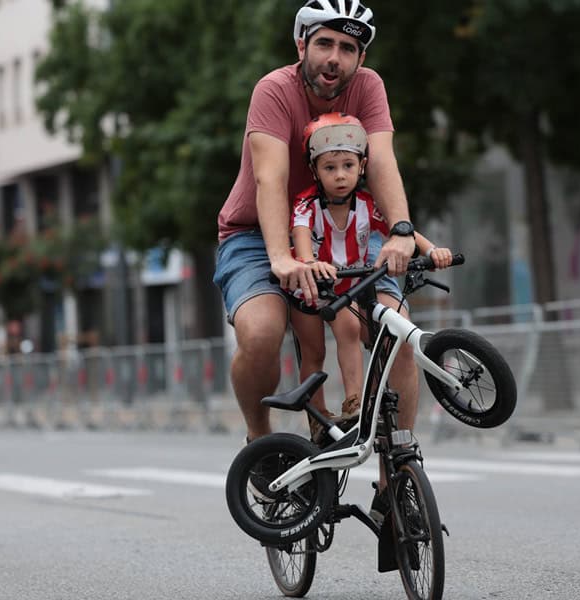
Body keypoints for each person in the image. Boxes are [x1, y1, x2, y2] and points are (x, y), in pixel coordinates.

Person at [213, 1, 418, 520]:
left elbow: (383, 161)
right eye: (324, 43)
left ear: (360, 57)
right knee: (261, 332)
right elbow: (270, 178)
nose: (334, 58)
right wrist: (282, 258)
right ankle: (261, 442)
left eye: (348, 48)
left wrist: (400, 231)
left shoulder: (368, 87)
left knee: (397, 332)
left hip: (342, 225)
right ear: (301, 45)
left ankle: (396, 480)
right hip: (256, 233)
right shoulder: (274, 90)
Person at [289, 113, 453, 442]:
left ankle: (358, 403)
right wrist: (309, 262)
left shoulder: (368, 205)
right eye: (329, 167)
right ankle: (319, 418)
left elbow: (402, 232)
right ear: (315, 170)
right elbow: (301, 238)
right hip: (310, 287)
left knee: (357, 329)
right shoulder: (306, 205)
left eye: (348, 166)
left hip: (348, 287)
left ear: (362, 166)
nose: (340, 175)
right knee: (313, 352)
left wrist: (432, 250)